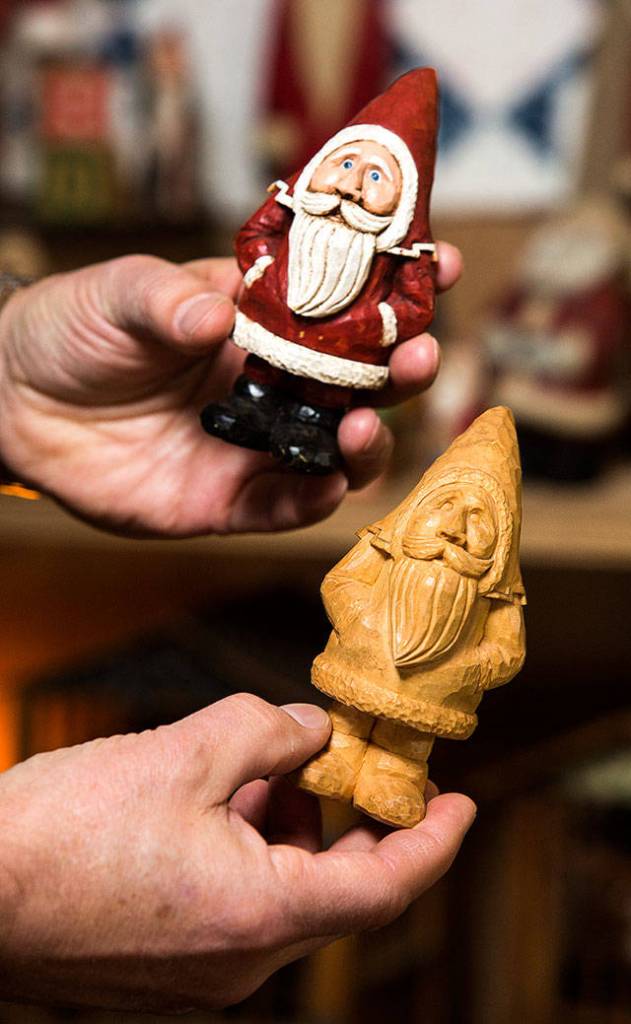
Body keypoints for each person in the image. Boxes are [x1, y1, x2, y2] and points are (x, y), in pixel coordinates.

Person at [0, 248, 476, 1014]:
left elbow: (501, 639)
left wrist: (15, 381)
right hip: (354, 669)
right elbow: (346, 579)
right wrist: (15, 891)